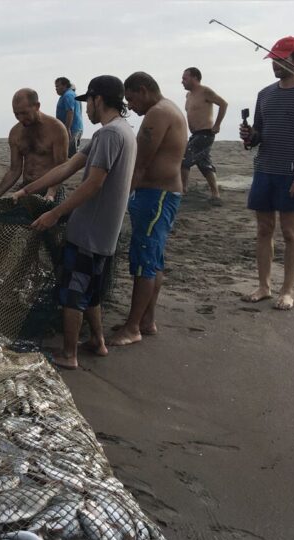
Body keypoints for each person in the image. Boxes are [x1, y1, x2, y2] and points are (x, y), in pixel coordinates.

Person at [13, 75, 137, 369]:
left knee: (73, 292)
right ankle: (98, 341)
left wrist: (54, 213)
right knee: (91, 291)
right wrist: (27, 190)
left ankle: (69, 354)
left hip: (88, 231)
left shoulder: (109, 135)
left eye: (88, 103)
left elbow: (93, 183)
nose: (86, 109)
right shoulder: (122, 131)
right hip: (106, 232)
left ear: (98, 100)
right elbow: (68, 166)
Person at [109, 72, 188, 346]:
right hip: (161, 194)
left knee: (144, 259)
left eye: (131, 99)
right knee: (154, 258)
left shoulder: (158, 113)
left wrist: (120, 200)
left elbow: (139, 165)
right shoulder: (168, 109)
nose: (131, 107)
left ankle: (133, 327)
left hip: (157, 195)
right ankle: (146, 320)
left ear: (143, 90)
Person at [239, 36, 294, 312]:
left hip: (292, 172)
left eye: (281, 60)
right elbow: (259, 135)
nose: (275, 64)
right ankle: (264, 286)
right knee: (263, 229)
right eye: (273, 59)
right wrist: (250, 136)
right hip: (264, 170)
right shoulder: (265, 94)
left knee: (291, 232)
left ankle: (288, 291)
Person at [0, 88, 69, 201]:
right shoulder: (15, 133)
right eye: (16, 114)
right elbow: (14, 170)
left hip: (51, 186)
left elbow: (61, 167)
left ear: (37, 106)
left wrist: (51, 192)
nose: (21, 118)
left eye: (24, 113)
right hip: (27, 187)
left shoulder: (57, 129)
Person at [180, 67, 228, 204]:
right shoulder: (188, 95)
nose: (182, 81)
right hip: (195, 133)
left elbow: (223, 104)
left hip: (206, 132)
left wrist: (217, 124)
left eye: (185, 78)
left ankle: (183, 190)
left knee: (184, 158)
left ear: (195, 78)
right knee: (204, 163)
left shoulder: (205, 91)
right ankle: (215, 194)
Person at [55, 77, 85, 157]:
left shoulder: (68, 95)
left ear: (64, 86)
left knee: (70, 154)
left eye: (57, 86)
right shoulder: (69, 95)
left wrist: (67, 128)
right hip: (74, 129)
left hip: (72, 130)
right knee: (69, 153)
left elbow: (70, 111)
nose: (56, 89)